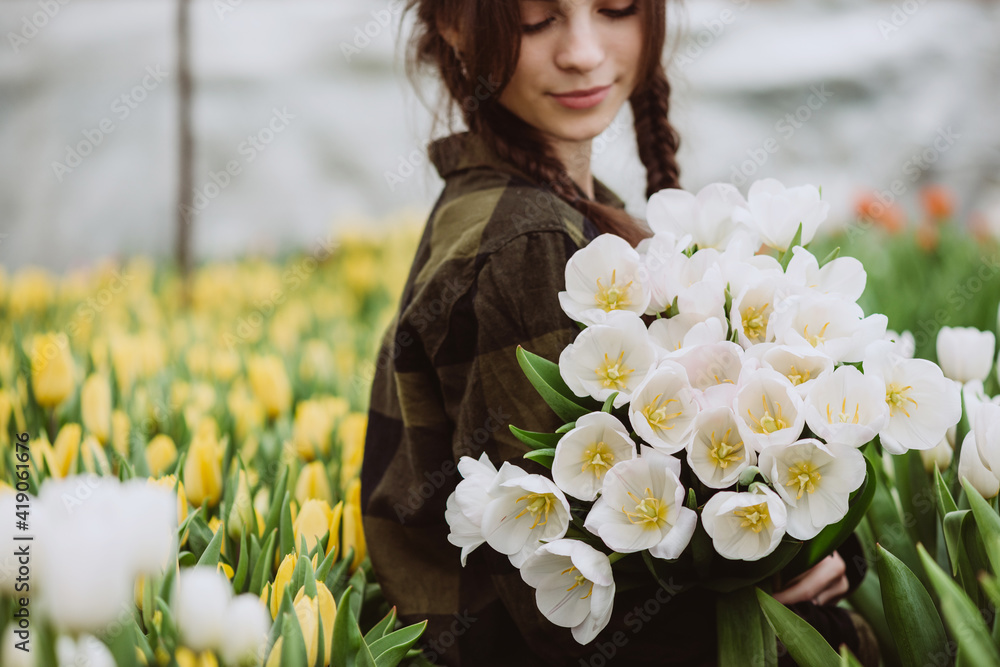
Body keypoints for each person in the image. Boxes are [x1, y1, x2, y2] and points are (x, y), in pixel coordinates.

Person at [360, 0, 880, 665]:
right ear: (456, 26)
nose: (581, 49)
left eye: (615, 7)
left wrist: (810, 537)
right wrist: (793, 613)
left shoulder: (544, 212)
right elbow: (558, 607)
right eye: (537, 19)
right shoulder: (528, 242)